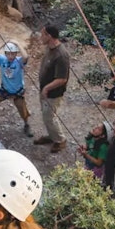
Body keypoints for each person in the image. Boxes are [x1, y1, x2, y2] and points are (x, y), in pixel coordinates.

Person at [32, 25, 70, 153]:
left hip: (53, 93)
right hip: (45, 90)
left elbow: (62, 79)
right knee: (45, 115)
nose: (40, 37)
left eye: (43, 35)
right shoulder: (49, 48)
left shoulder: (61, 55)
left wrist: (47, 88)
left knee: (49, 116)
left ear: (49, 36)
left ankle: (60, 140)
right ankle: (52, 136)